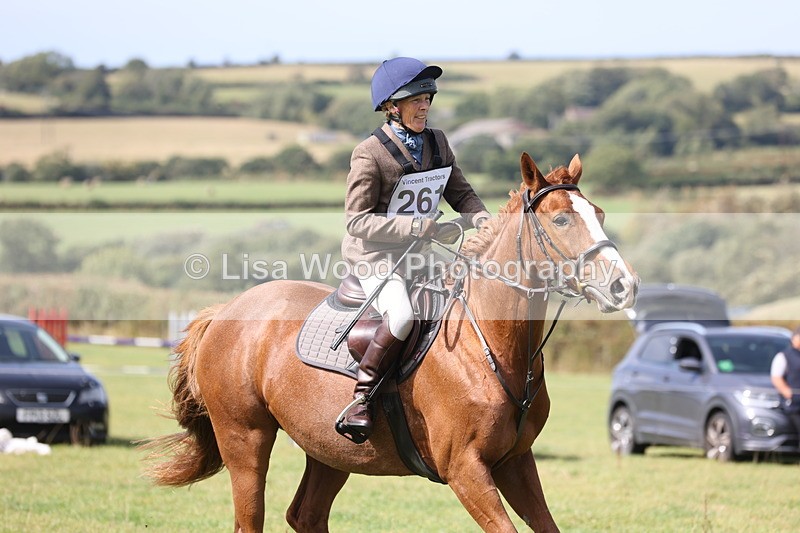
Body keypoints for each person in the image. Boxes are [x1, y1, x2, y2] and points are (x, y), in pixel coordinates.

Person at [338, 57, 491, 442]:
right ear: (392, 106)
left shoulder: (437, 142)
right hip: (374, 257)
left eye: (428, 99)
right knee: (404, 314)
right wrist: (416, 227)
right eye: (415, 100)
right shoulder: (369, 153)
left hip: (419, 257)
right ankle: (362, 397)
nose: (424, 106)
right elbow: (357, 222)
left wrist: (482, 218)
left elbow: (462, 194)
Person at [770, 326, 800, 437]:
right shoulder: (784, 356)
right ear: (794, 338)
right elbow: (776, 377)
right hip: (795, 405)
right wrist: (787, 392)